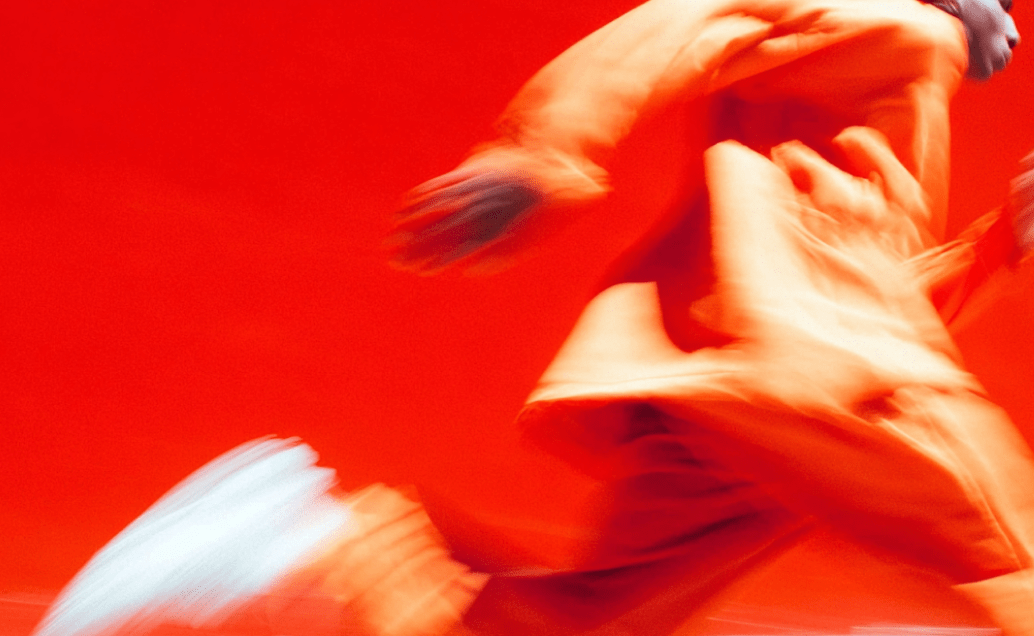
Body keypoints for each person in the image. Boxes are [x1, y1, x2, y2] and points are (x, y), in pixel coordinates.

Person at [32, 0, 1034, 634]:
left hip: (780, 389)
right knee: (1016, 558)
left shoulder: (907, 81)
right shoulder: (887, 26)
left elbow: (880, 283)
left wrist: (999, 244)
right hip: (808, 367)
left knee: (578, 624)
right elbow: (689, 24)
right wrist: (539, 153)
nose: (1007, 24)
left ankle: (318, 534)